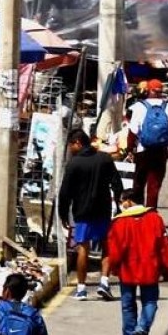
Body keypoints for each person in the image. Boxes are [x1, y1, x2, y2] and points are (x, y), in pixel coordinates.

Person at [107, 190, 168, 335]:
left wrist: (114, 268)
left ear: (129, 202)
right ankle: (142, 329)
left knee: (128, 305)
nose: (121, 205)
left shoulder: (120, 223)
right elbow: (164, 246)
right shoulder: (155, 219)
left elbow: (115, 250)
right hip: (149, 269)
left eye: (122, 201)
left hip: (128, 270)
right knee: (150, 302)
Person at [58, 129, 122, 301]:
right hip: (103, 209)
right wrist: (118, 204)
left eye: (71, 145)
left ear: (78, 143)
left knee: (83, 248)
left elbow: (65, 193)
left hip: (82, 212)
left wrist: (63, 214)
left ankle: (81, 289)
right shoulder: (105, 159)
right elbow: (117, 183)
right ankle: (104, 282)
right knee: (106, 246)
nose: (70, 149)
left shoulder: (74, 164)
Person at [127, 79, 168, 209]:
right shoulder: (167, 106)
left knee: (139, 182)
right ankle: (151, 213)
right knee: (154, 184)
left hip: (142, 150)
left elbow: (133, 131)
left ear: (148, 90)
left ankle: (138, 211)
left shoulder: (139, 106)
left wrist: (130, 148)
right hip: (160, 150)